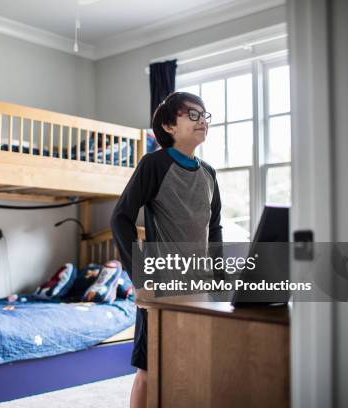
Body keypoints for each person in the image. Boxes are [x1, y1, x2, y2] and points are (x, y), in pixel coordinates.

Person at [110, 92, 223, 408]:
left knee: (194, 365)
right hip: (161, 289)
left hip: (200, 289)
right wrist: (142, 279)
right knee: (150, 367)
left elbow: (214, 230)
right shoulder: (154, 164)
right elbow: (120, 218)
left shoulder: (210, 174)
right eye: (193, 114)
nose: (202, 121)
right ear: (169, 125)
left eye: (205, 115)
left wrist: (221, 279)